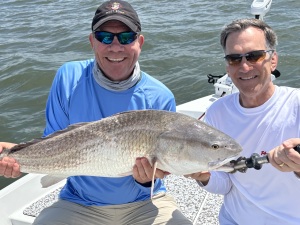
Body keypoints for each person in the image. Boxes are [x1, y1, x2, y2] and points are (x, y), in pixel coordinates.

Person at [0, 1, 192, 224]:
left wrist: (145, 180)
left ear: (140, 42)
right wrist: (13, 156)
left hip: (145, 203)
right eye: (105, 37)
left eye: (127, 37)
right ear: (92, 41)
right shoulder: (68, 78)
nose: (116, 47)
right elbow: (52, 144)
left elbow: (162, 169)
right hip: (78, 203)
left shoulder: (161, 96)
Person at [189, 18, 300, 225]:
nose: (245, 67)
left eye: (254, 56)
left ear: (273, 59)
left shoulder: (296, 104)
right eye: (234, 59)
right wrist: (203, 176)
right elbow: (225, 183)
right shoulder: (217, 112)